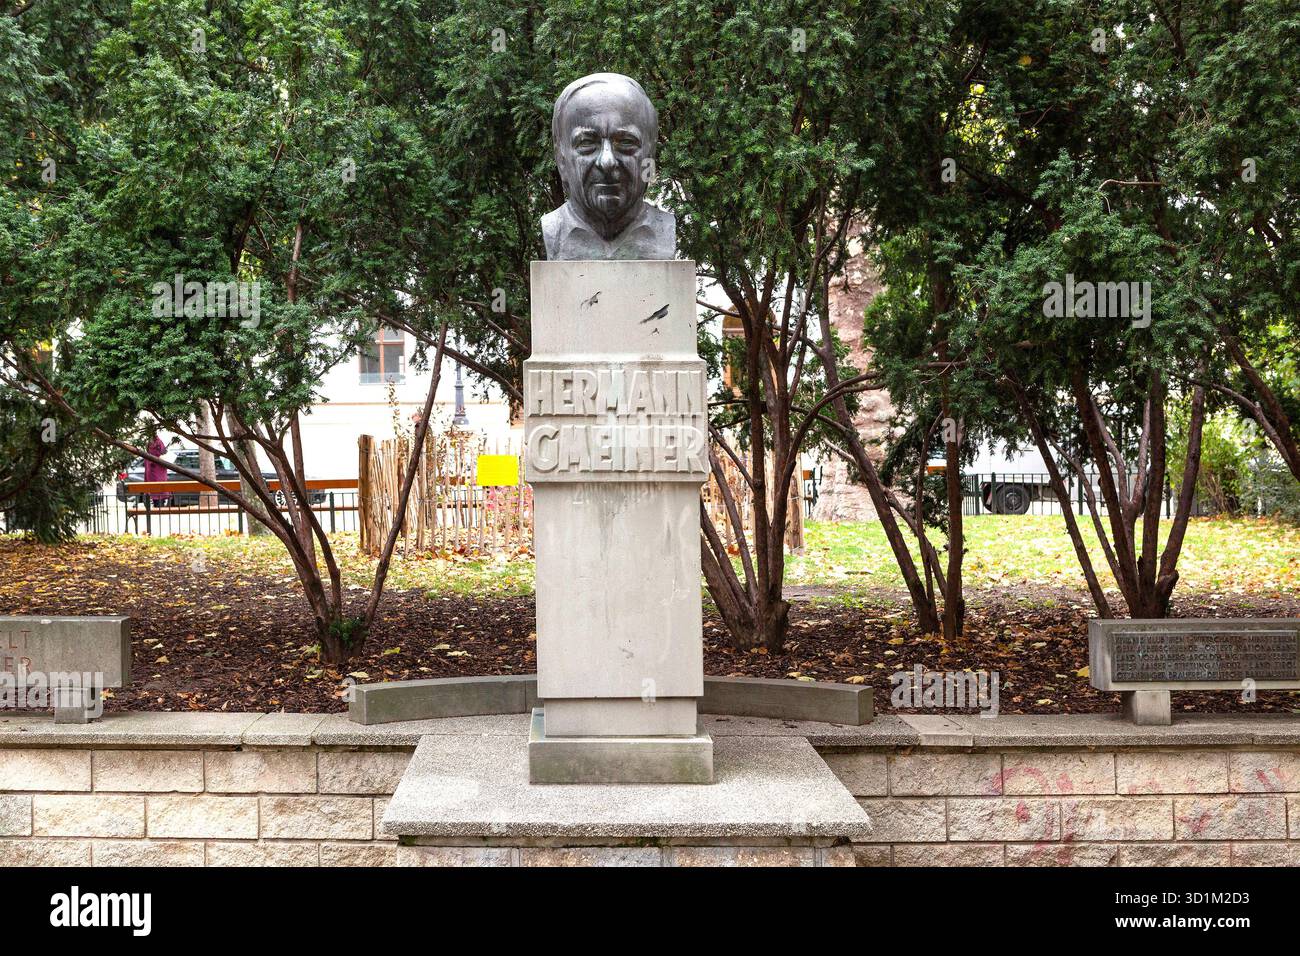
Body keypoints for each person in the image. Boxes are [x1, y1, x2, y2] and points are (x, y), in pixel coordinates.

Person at [144, 434, 171, 506]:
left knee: (157, 498)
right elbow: (163, 452)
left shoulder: (151, 443)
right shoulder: (158, 442)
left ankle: (157, 506)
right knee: (159, 498)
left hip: (153, 474)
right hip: (158, 474)